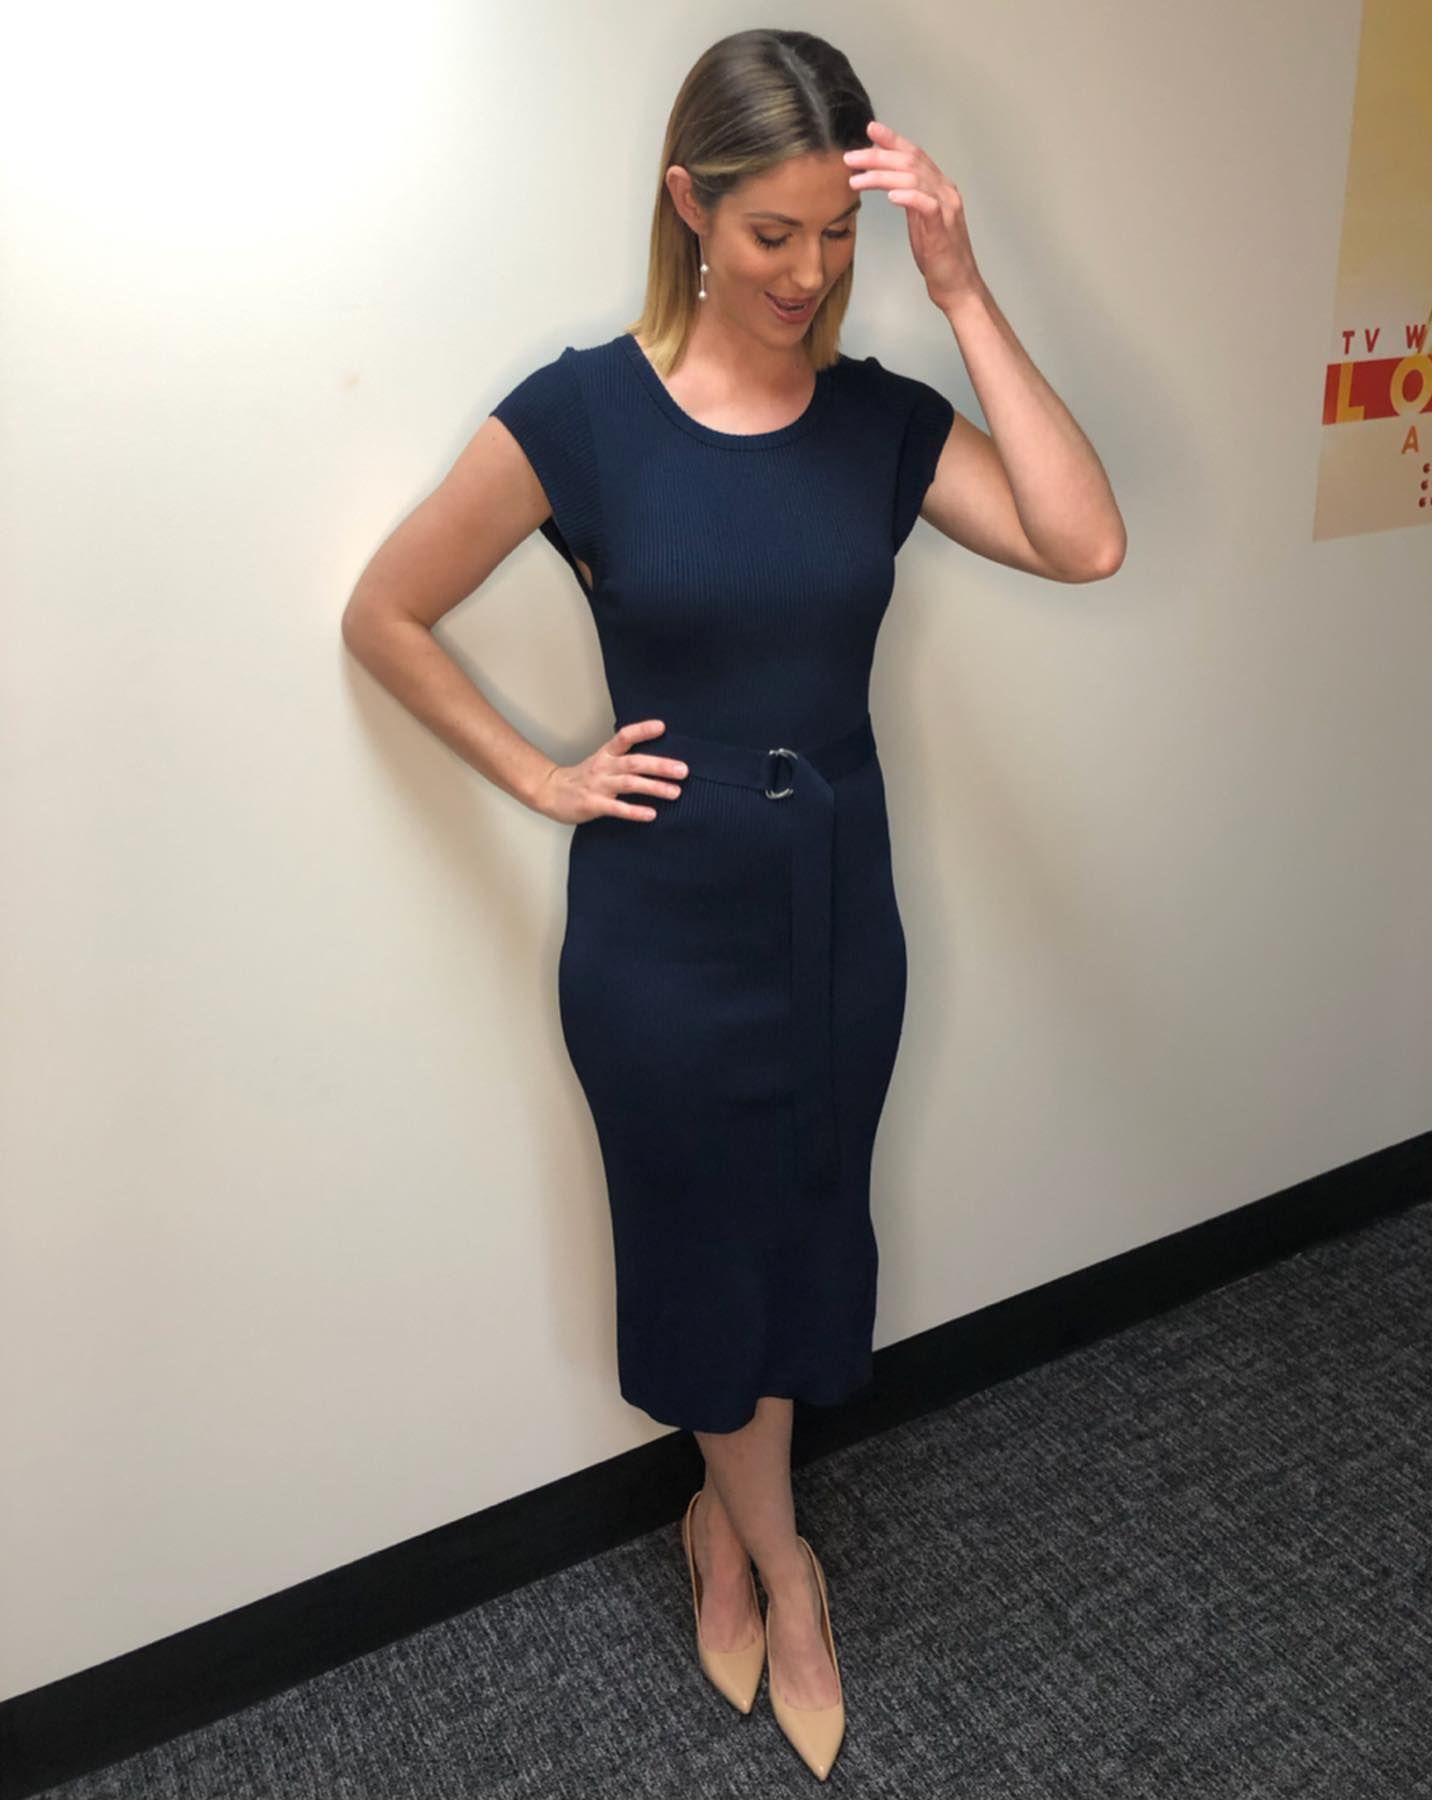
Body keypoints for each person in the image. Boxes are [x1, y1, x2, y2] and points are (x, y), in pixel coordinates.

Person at [341, 27, 1125, 1783]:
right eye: (774, 233)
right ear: (688, 208)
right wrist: (540, 774)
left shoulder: (877, 423)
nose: (809, 274)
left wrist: (964, 291)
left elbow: (1085, 540)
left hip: (838, 908)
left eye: (837, 236)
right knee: (699, 1240)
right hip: (663, 930)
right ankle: (778, 1560)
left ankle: (730, 1523)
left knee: (804, 1226)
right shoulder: (584, 418)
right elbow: (385, 611)